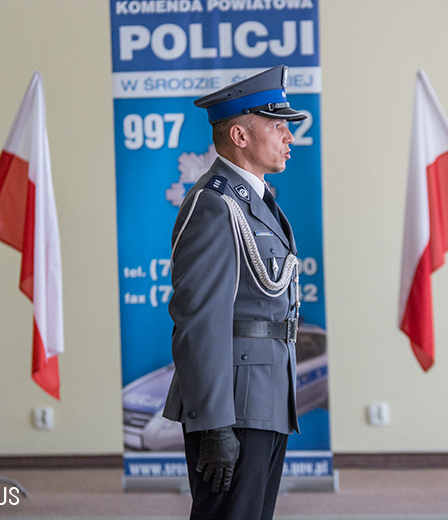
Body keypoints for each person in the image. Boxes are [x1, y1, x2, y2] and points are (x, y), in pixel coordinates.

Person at [162, 65, 306, 520]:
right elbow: (200, 322)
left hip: (264, 397)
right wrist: (214, 424)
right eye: (278, 125)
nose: (289, 137)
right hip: (235, 406)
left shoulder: (256, 200)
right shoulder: (214, 203)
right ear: (240, 136)